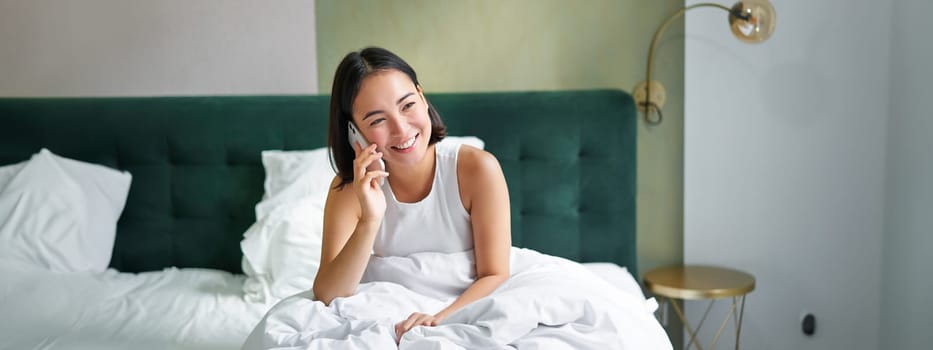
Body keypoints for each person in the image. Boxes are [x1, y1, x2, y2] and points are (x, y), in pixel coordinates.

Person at [311, 47, 512, 341]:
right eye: (377, 120)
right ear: (354, 131)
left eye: (407, 105)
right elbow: (328, 293)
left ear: (421, 96)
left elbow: (495, 274)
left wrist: (437, 320)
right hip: (388, 313)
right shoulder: (349, 190)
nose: (401, 129)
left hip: (465, 307)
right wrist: (370, 219)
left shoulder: (478, 169)